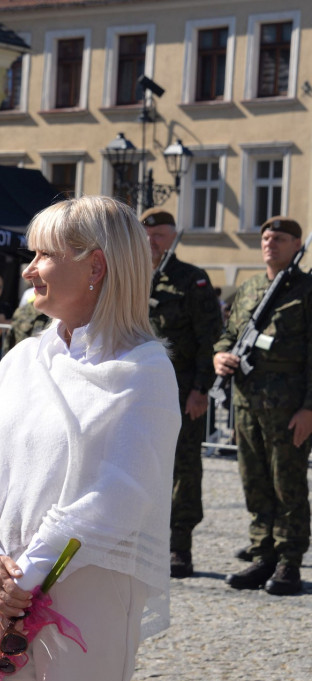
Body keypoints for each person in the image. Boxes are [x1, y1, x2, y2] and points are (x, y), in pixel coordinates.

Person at [0, 196, 180, 681]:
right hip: (4, 593)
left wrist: (26, 572)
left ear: (96, 266)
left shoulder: (145, 370)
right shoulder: (23, 359)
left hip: (86, 595)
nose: (28, 269)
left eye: (44, 255)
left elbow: (120, 492)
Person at [215, 215, 311, 596]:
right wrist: (219, 356)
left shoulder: (306, 290)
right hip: (247, 404)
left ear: (297, 244)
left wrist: (309, 408)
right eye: (267, 237)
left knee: (287, 484)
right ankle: (263, 553)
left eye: (281, 238)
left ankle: (289, 561)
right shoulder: (251, 286)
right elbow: (227, 334)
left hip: (289, 409)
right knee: (253, 482)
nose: (270, 243)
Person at [142, 208, 222, 578]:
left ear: (172, 237)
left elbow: (209, 337)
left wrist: (201, 389)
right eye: (147, 234)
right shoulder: (134, 276)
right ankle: (144, 543)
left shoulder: (192, 279)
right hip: (137, 391)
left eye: (159, 234)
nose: (152, 241)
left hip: (179, 388)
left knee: (183, 468)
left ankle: (180, 547)